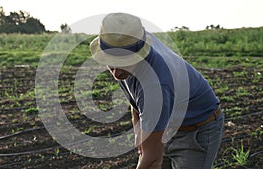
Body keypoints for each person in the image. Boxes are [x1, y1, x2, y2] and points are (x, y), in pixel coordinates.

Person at [89, 12, 224, 169]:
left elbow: (152, 160)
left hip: (195, 130)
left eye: (123, 63)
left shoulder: (155, 86)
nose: (116, 73)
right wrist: (138, 127)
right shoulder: (131, 40)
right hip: (166, 126)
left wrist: (149, 142)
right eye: (111, 63)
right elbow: (135, 97)